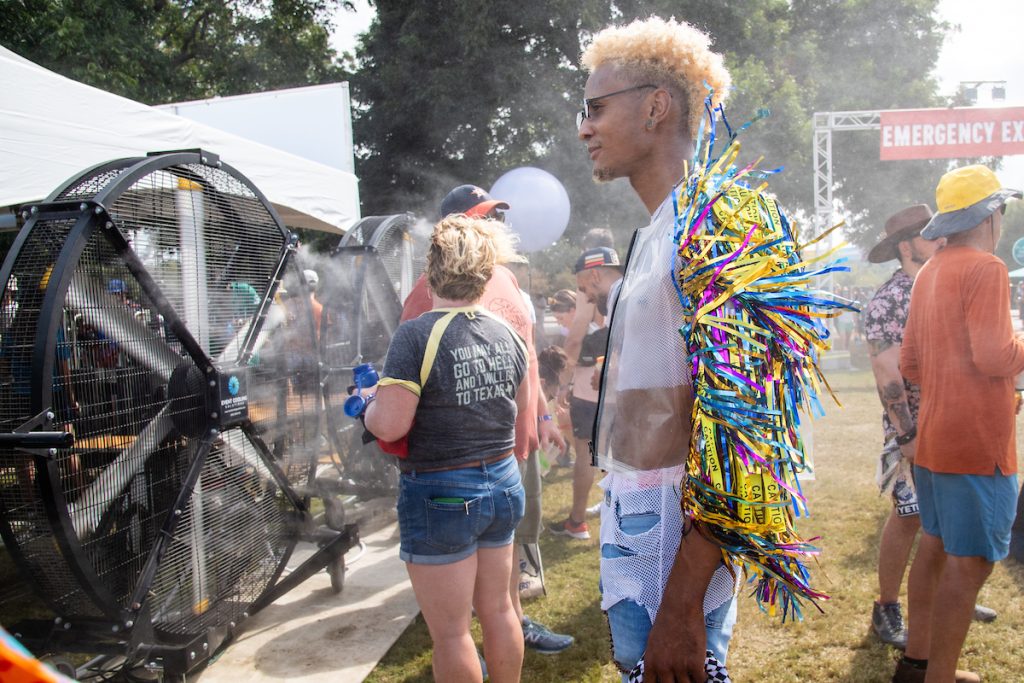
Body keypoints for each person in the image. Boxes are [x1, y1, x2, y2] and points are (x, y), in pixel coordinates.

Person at [578, 17, 836, 681]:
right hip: (639, 531)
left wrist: (683, 603)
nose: (584, 128)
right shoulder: (654, 234)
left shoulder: (716, 221)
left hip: (675, 551)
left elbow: (750, 426)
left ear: (656, 105)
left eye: (596, 108)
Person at [401, 184, 573, 655]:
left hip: (512, 446)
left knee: (512, 541)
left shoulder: (506, 280)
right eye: (484, 218)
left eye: (497, 216)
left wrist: (540, 415)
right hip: (460, 459)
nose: (496, 226)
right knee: (469, 568)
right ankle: (470, 628)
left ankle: (511, 620)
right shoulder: (425, 293)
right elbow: (417, 370)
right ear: (452, 232)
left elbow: (529, 358)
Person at [364, 213, 529, 682]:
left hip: (442, 491)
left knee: (453, 633)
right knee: (499, 610)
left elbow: (391, 425)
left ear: (431, 268)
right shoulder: (508, 332)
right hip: (502, 481)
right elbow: (509, 409)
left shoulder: (416, 333)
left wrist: (366, 408)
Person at [894, 164, 1024, 683]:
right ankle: (939, 677)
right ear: (992, 214)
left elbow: (910, 363)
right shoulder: (987, 269)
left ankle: (918, 661)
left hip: (935, 440)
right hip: (977, 445)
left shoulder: (930, 270)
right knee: (970, 565)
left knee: (936, 546)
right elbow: (995, 356)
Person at [863, 204, 946, 649]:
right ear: (905, 246)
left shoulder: (943, 285)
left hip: (952, 421)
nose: (940, 239)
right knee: (909, 516)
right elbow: (886, 374)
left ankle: (950, 594)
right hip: (912, 429)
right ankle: (886, 605)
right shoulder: (889, 300)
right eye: (927, 233)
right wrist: (907, 435)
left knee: (947, 514)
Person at [548, 247, 620, 541]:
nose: (584, 296)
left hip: (591, 392)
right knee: (611, 457)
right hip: (617, 391)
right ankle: (615, 516)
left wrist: (562, 382)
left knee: (586, 455)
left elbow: (575, 340)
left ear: (593, 275)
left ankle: (577, 521)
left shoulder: (598, 296)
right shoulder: (627, 289)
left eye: (582, 289)